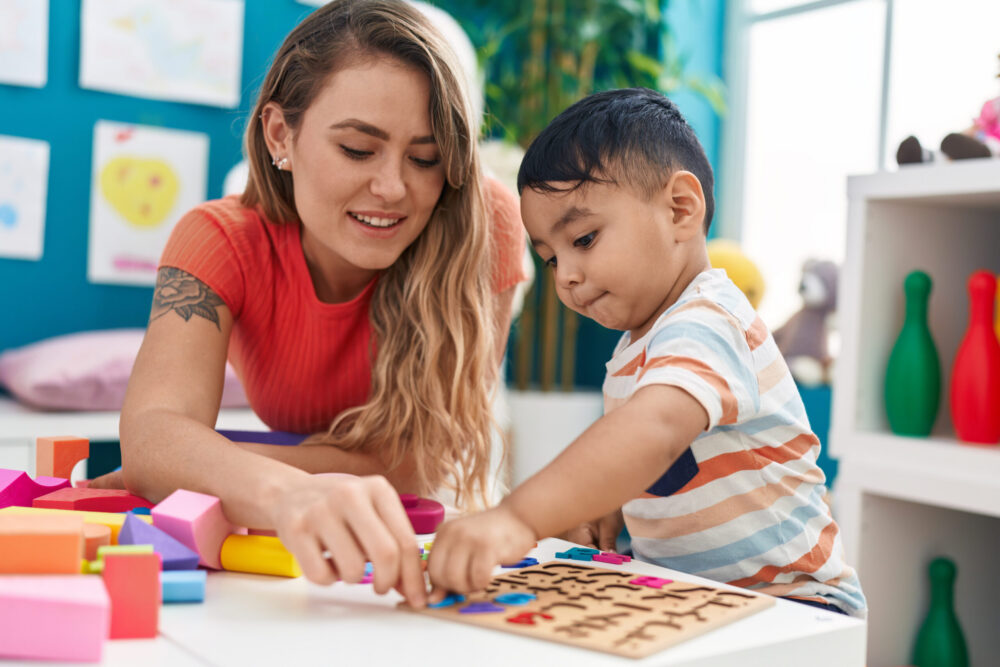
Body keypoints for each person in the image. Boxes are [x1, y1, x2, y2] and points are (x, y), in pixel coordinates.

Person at [96, 0, 527, 608]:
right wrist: (284, 491)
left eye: (426, 158)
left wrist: (210, 458)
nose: (393, 188)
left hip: (428, 548)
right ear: (280, 134)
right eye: (358, 148)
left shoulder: (486, 224)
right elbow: (153, 436)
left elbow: (417, 465)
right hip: (290, 549)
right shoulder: (217, 239)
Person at [427, 88, 867, 617]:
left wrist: (517, 517)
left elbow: (654, 431)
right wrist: (611, 501)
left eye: (584, 239)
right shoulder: (641, 343)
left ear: (681, 208)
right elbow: (670, 455)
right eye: (549, 259)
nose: (565, 275)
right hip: (704, 602)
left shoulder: (709, 319)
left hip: (798, 605)